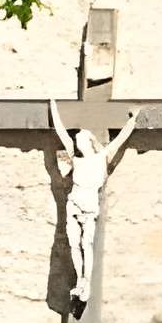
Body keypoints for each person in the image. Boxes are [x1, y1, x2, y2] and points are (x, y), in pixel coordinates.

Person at [48, 99, 141, 308]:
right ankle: (79, 280)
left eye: (81, 138)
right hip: (74, 205)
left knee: (86, 244)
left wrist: (133, 119)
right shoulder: (76, 157)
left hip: (89, 208)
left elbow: (121, 139)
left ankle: (86, 282)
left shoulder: (102, 157)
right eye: (78, 139)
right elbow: (61, 132)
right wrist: (53, 107)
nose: (77, 141)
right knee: (74, 244)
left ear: (90, 142)